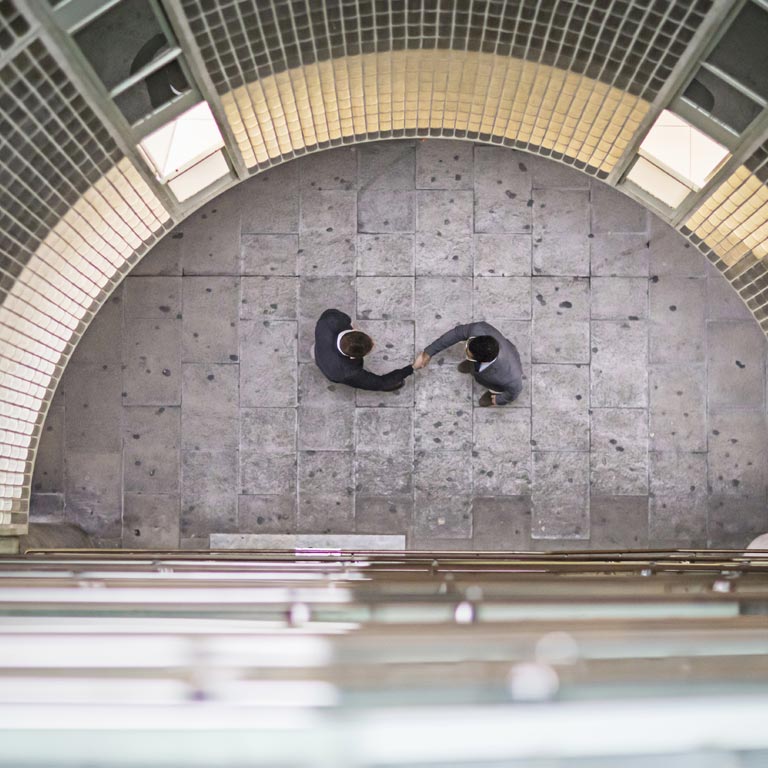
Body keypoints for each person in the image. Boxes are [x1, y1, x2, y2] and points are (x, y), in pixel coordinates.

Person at [414, 321, 522, 406]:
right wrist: (428, 353)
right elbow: (457, 333)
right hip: (480, 360)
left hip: (494, 382)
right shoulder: (479, 329)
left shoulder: (512, 377)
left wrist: (499, 400)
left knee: (495, 388)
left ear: (482, 361)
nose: (465, 349)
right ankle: (472, 368)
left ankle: (492, 393)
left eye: (468, 354)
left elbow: (515, 392)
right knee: (472, 366)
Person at [313, 308, 413, 391]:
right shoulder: (350, 372)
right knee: (371, 382)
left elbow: (333, 313)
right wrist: (412, 367)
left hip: (320, 348)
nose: (374, 343)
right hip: (334, 372)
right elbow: (381, 382)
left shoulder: (330, 319)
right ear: (354, 357)